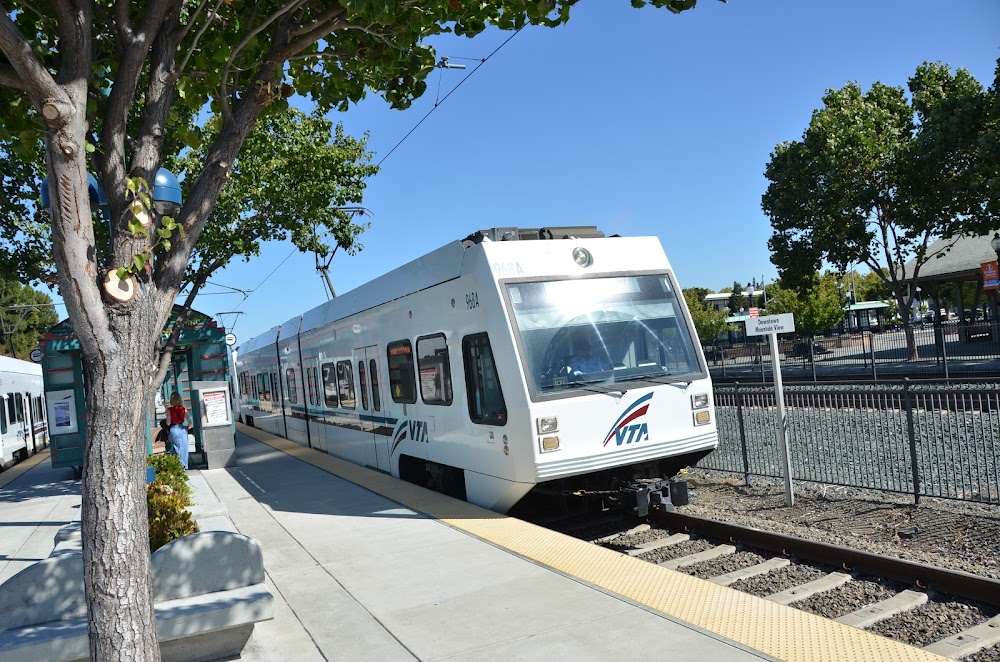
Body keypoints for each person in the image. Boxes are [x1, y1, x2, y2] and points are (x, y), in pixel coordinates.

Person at [167, 391, 190, 469]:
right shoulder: (183, 409)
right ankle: (184, 465)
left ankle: (180, 464)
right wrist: (188, 426)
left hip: (174, 429)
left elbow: (168, 423)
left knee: (177, 447)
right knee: (184, 447)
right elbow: (189, 421)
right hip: (182, 429)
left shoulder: (169, 410)